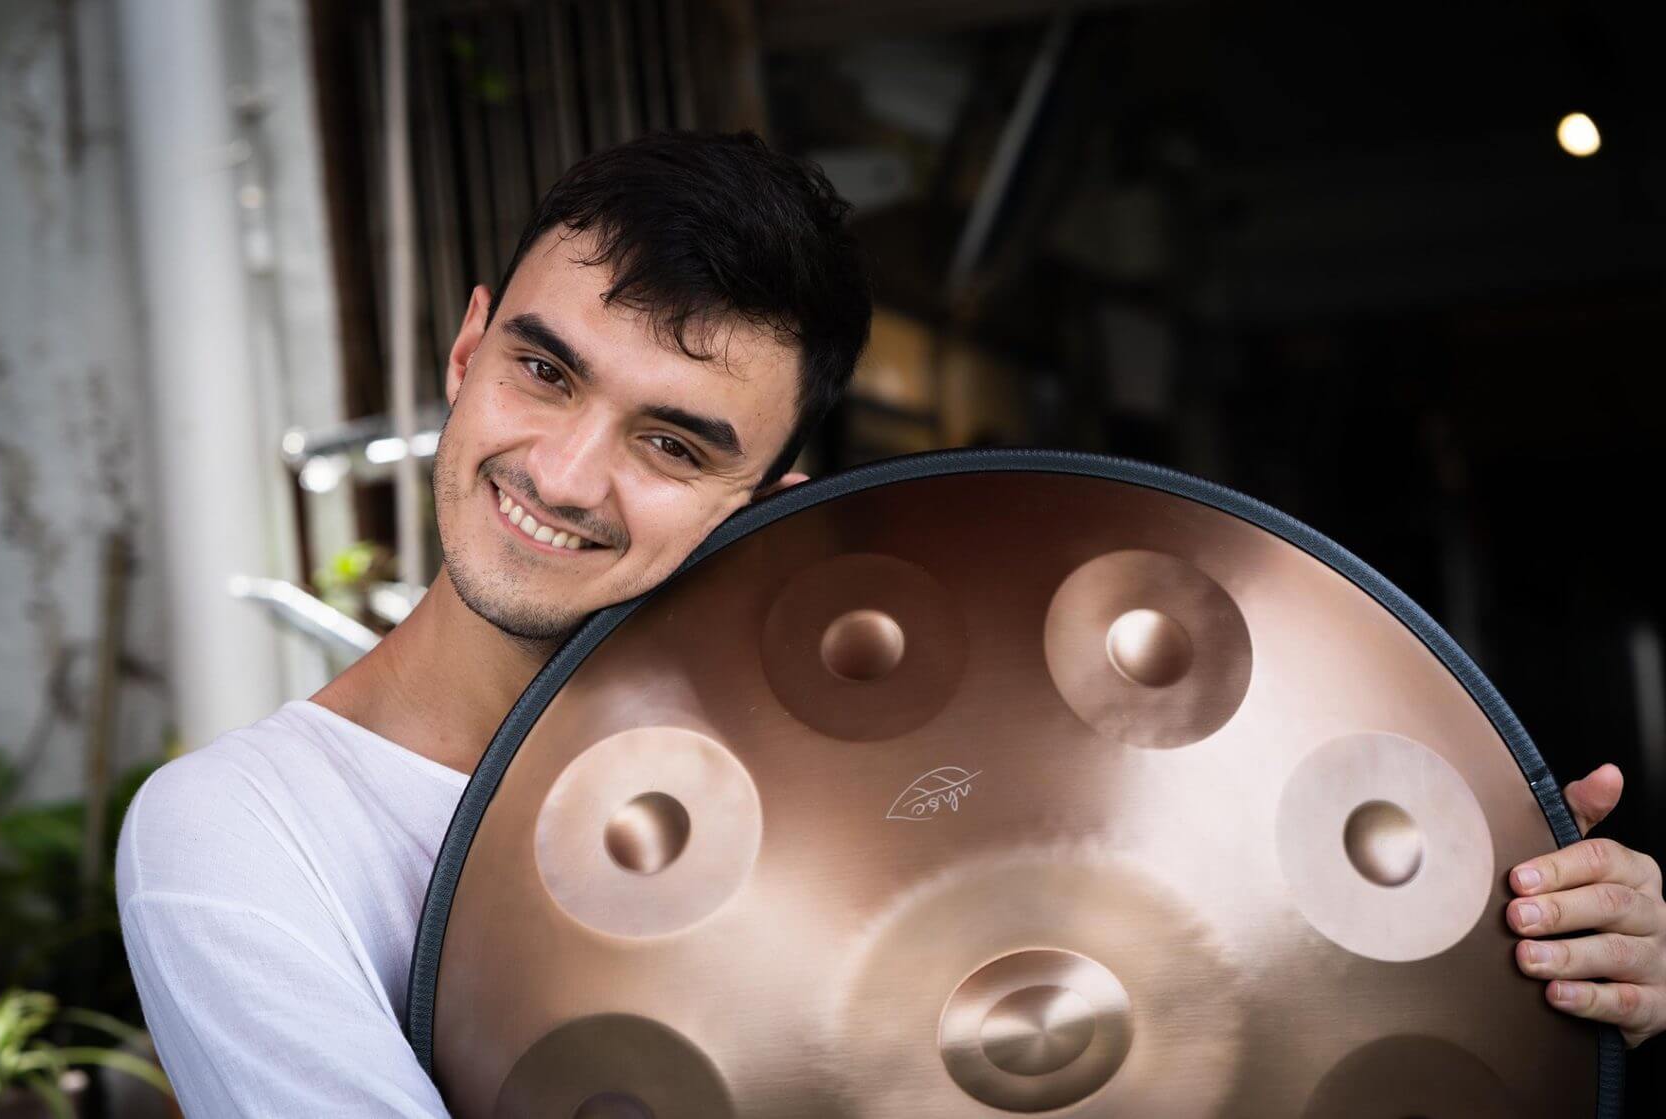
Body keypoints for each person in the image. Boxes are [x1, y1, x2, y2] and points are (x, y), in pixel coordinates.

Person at [115, 131, 1664, 1116]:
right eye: (544, 369)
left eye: (674, 443)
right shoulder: (244, 836)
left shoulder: (877, 780)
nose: (568, 475)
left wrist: (1522, 969)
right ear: (466, 353)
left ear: (769, 500)